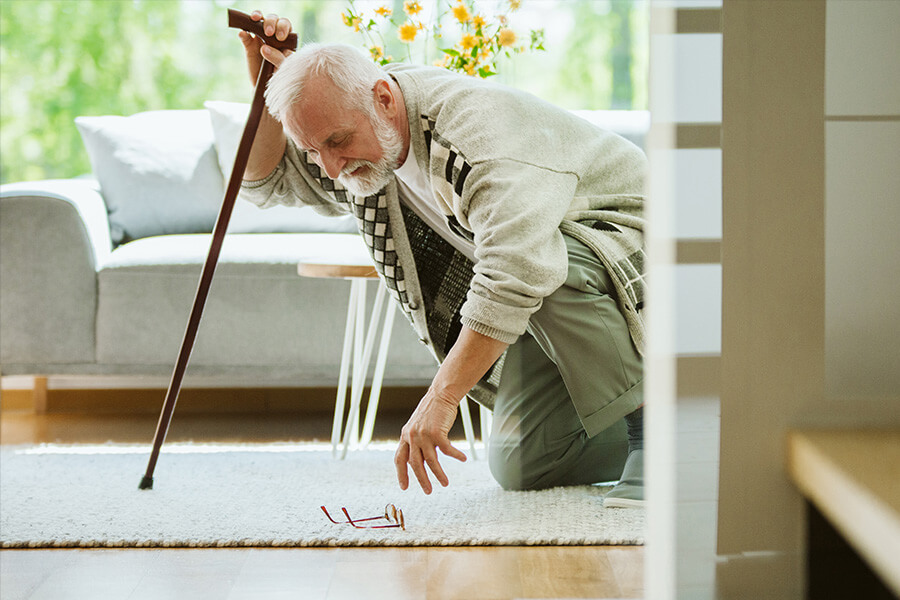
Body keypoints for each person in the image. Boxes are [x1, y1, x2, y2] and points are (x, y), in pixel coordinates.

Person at [238, 11, 647, 507]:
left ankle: (659, 438)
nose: (330, 167)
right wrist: (262, 77)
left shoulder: (475, 132)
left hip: (635, 245)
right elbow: (265, 181)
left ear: (384, 99)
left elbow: (516, 270)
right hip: (549, 294)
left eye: (337, 143)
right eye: (313, 149)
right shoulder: (364, 141)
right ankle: (693, 428)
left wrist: (441, 397)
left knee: (543, 263)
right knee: (528, 463)